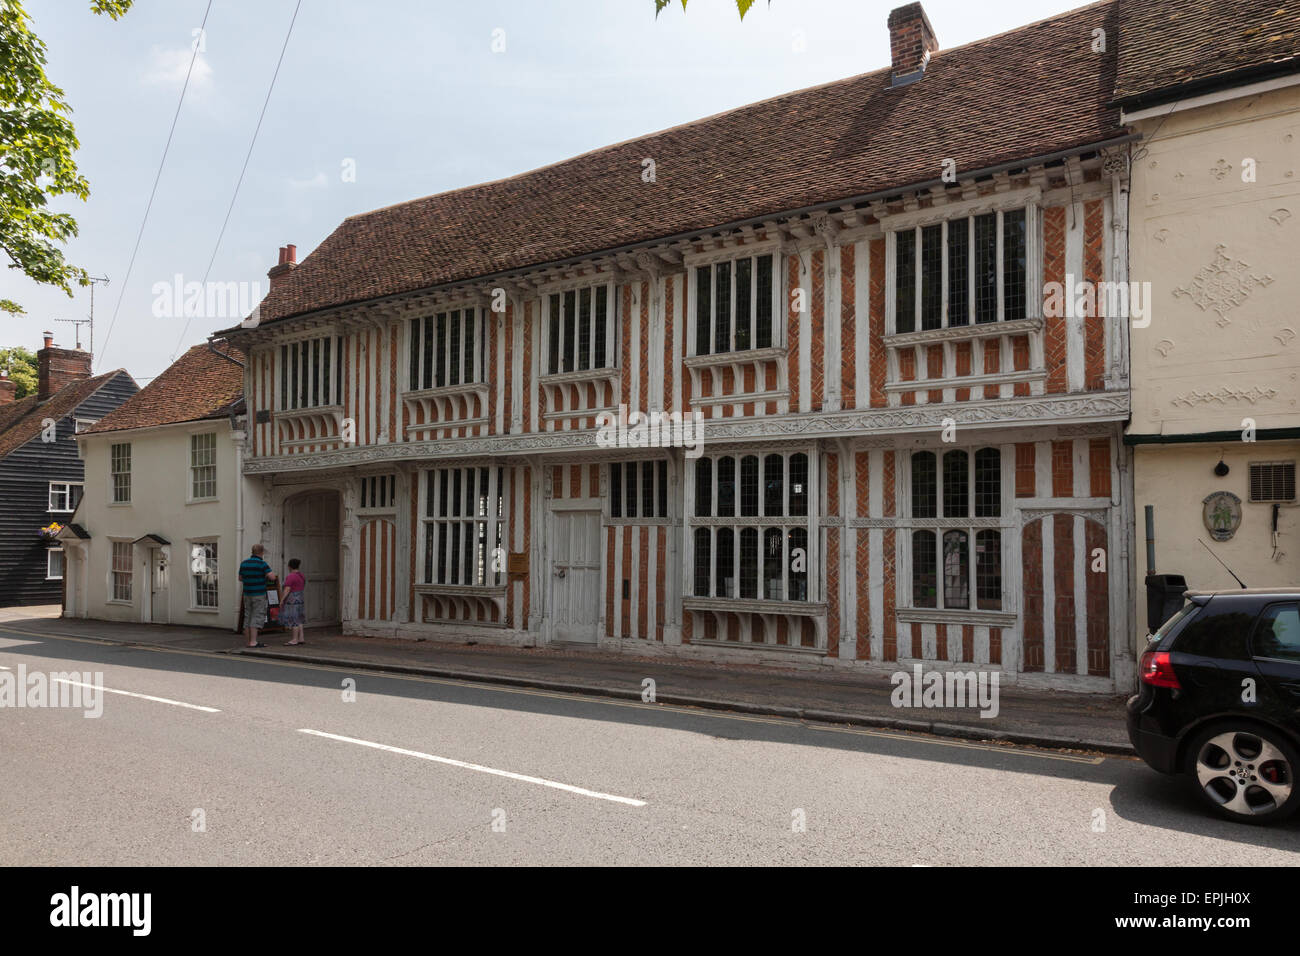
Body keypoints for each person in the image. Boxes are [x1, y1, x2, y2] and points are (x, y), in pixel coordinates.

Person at [238, 544, 272, 648]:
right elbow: (272, 577)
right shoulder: (262, 564)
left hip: (247, 593)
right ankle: (253, 642)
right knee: (256, 617)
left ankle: (248, 642)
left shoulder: (244, 563)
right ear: (261, 552)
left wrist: (250, 580)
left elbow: (240, 578)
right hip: (259, 594)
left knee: (248, 616)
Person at [280, 558, 307, 646]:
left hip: (292, 599)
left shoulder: (291, 576)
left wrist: (282, 599)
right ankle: (301, 638)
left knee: (294, 618)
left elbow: (287, 589)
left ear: (289, 566)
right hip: (300, 598)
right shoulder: (301, 575)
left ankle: (294, 639)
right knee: (299, 618)